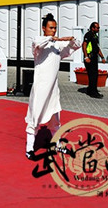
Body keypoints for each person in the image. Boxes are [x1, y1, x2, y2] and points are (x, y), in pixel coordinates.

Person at [25, 14, 80, 160]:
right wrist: (53, 39)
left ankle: (57, 144)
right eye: (51, 28)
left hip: (53, 89)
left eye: (55, 28)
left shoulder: (57, 45)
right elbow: (38, 43)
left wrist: (70, 40)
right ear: (44, 28)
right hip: (41, 88)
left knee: (55, 119)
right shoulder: (39, 43)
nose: (53, 31)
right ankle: (29, 148)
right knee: (35, 117)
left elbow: (75, 46)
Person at [82, 22, 106, 99]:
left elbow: (97, 48)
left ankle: (91, 89)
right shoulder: (88, 34)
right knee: (92, 75)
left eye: (98, 28)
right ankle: (93, 92)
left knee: (94, 75)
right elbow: (84, 45)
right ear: (92, 28)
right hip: (90, 57)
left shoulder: (95, 36)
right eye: (97, 28)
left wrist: (102, 57)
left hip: (94, 57)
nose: (98, 29)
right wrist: (86, 57)